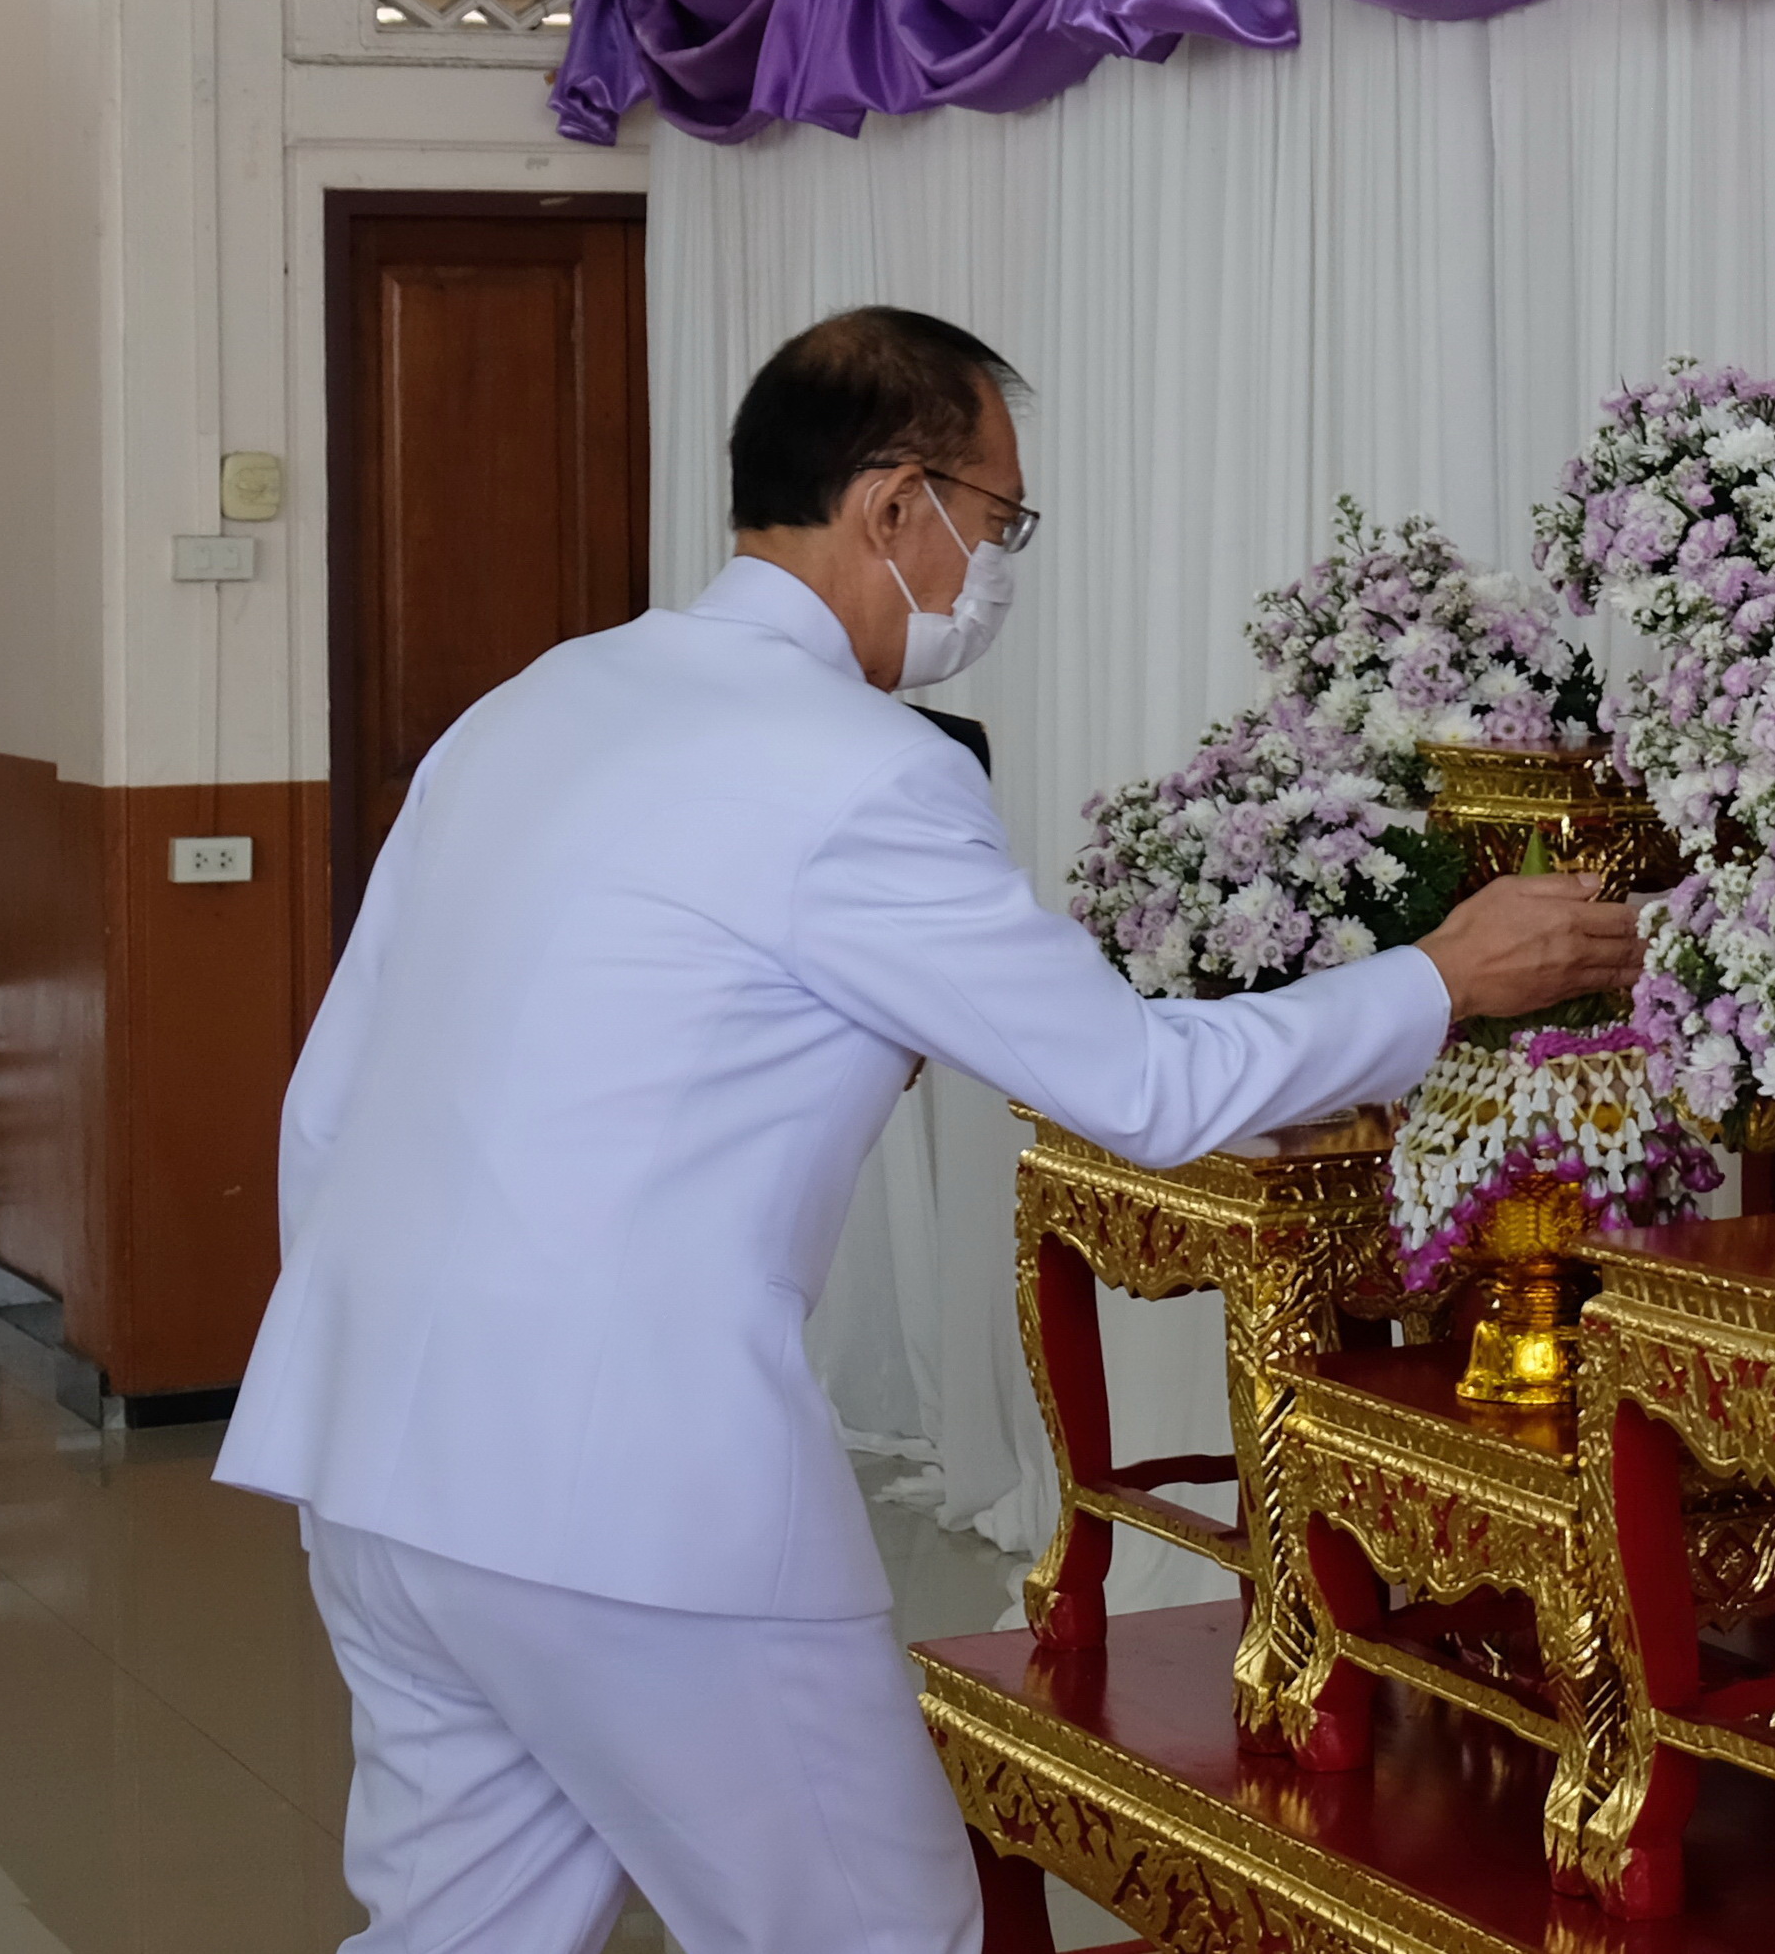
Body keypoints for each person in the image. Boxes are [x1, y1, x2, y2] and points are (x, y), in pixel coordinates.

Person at [216, 305, 1642, 1954]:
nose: (998, 564)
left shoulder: (539, 701)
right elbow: (1140, 1086)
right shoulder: (859, 769)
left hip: (370, 1448)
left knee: (458, 1933)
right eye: (1000, 515)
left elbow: (332, 1097)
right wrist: (1443, 975)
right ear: (899, 504)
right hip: (631, 1493)